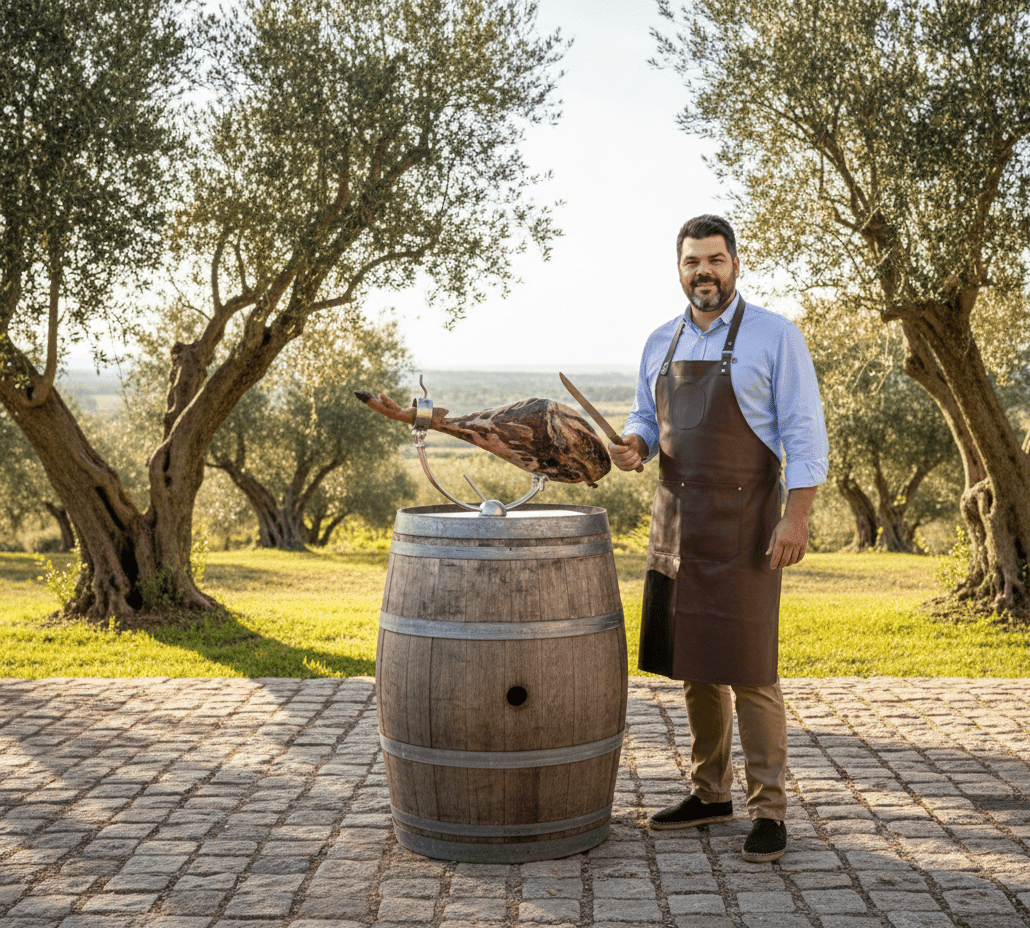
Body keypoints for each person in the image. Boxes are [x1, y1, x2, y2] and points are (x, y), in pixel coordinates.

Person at [609, 214, 828, 862]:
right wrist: (635, 444)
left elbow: (804, 434)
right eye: (691, 263)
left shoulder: (774, 337)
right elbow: (645, 415)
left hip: (749, 523)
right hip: (679, 522)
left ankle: (770, 809)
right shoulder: (661, 338)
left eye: (714, 260)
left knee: (753, 670)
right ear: (679, 269)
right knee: (696, 668)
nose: (703, 272)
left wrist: (799, 517)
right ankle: (710, 794)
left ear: (735, 264)